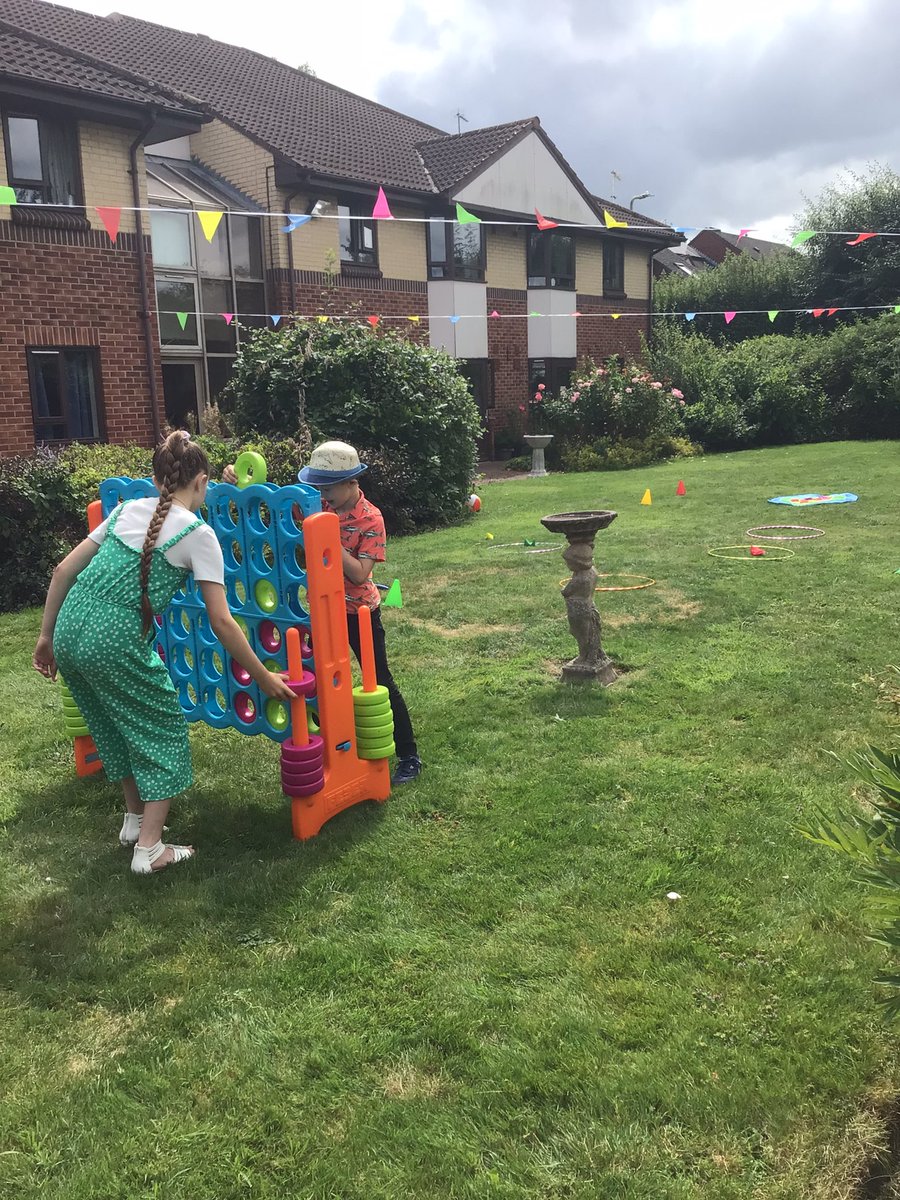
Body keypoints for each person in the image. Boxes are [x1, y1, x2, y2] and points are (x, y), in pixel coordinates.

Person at [32, 430, 296, 874]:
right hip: (110, 639)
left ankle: (135, 823)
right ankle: (150, 850)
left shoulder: (125, 509)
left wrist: (45, 637)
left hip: (70, 628)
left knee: (115, 724)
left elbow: (62, 570)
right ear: (202, 482)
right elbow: (222, 622)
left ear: (157, 481)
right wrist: (264, 676)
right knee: (164, 729)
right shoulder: (198, 535)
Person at [224, 440, 422, 785]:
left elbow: (361, 574)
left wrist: (328, 534)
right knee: (323, 685)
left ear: (352, 482)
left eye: (328, 488)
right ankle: (337, 750)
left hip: (359, 614)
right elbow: (274, 508)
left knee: (381, 682)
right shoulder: (314, 504)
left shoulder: (371, 518)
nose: (323, 495)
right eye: (318, 488)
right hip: (320, 613)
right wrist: (240, 484)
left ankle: (409, 755)